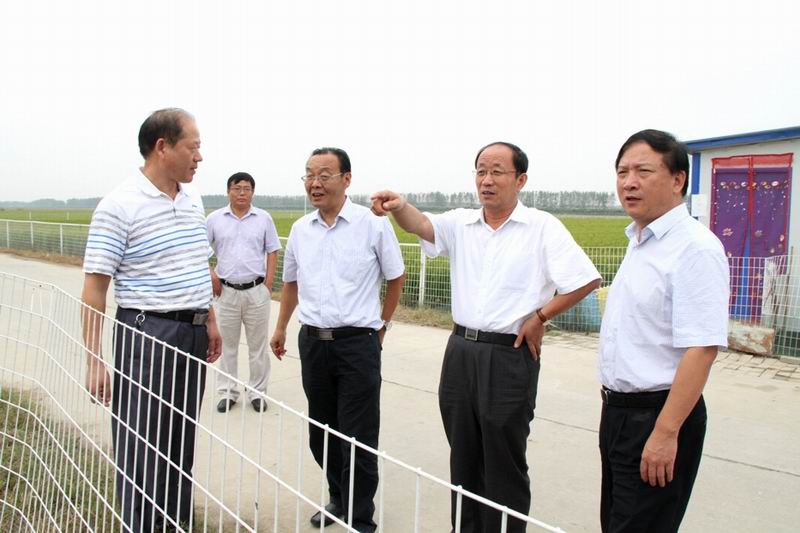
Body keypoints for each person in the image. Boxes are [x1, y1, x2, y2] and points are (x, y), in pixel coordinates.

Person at [371, 141, 601, 532]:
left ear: (520, 179)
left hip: (509, 354)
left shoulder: (541, 227)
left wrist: (540, 316)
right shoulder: (461, 223)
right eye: (481, 171)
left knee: (503, 460)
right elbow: (420, 224)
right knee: (463, 454)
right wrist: (400, 205)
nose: (487, 180)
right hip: (461, 351)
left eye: (497, 171)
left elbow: (585, 279)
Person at [81, 108, 222, 532]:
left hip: (192, 333)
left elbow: (197, 264)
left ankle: (175, 523)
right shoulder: (119, 206)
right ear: (163, 147)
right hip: (148, 333)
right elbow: (95, 289)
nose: (199, 157)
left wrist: (209, 318)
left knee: (180, 442)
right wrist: (94, 359)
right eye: (193, 147)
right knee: (143, 445)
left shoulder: (192, 200)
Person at [597, 130, 729, 532]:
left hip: (657, 415)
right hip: (619, 413)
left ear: (677, 180)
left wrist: (665, 432)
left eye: (643, 171)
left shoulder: (694, 248)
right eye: (622, 172)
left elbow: (702, 349)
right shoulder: (641, 241)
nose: (629, 182)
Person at [270, 147, 406, 532]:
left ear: (346, 179)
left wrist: (382, 328)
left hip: (357, 344)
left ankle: (360, 518)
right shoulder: (301, 230)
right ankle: (338, 498)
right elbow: (291, 283)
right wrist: (281, 327)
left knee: (357, 435)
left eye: (324, 175)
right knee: (322, 432)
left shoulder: (372, 224)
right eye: (309, 175)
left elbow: (396, 277)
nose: (315, 183)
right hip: (313, 343)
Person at [207, 172, 281, 413]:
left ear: (253, 192)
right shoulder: (215, 219)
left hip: (256, 291)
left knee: (257, 346)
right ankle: (228, 392)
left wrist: (268, 284)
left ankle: (257, 392)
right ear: (228, 191)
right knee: (227, 346)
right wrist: (212, 275)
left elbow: (272, 250)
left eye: (246, 188)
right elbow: (200, 249)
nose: (241, 193)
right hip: (226, 292)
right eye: (237, 188)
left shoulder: (263, 218)